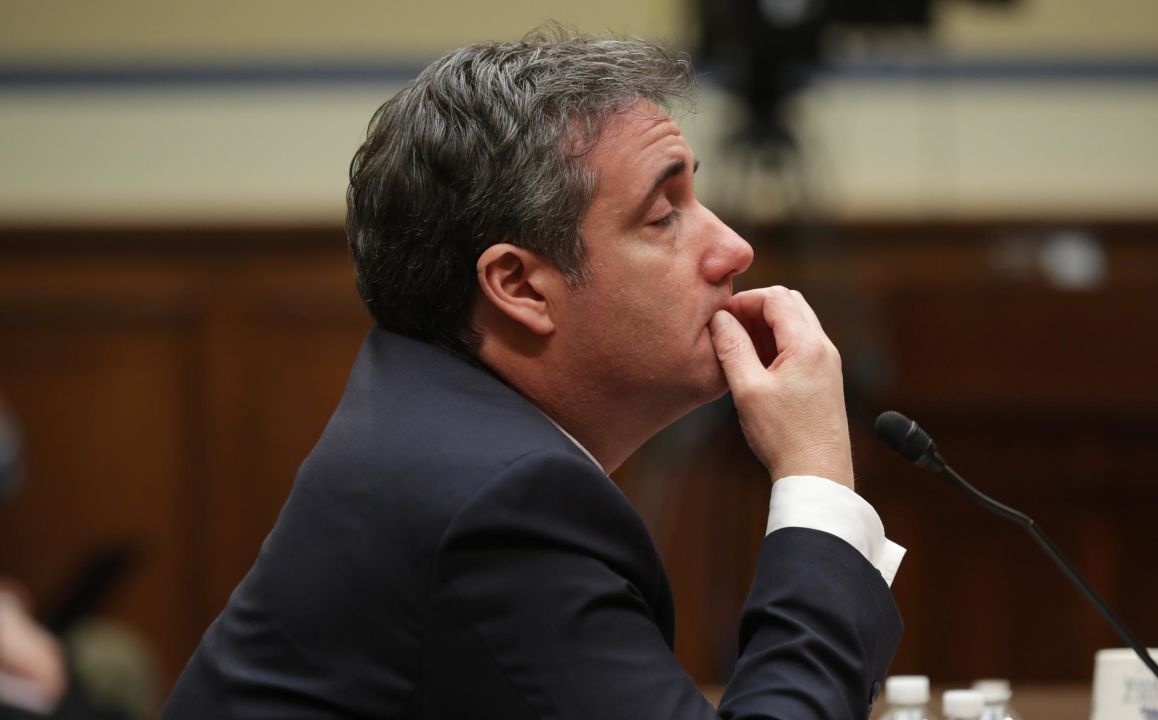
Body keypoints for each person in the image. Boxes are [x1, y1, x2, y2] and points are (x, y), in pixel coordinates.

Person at [162, 26, 904, 719]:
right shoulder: (497, 504)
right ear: (519, 286)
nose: (733, 248)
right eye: (662, 214)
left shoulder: (436, 423)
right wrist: (815, 474)